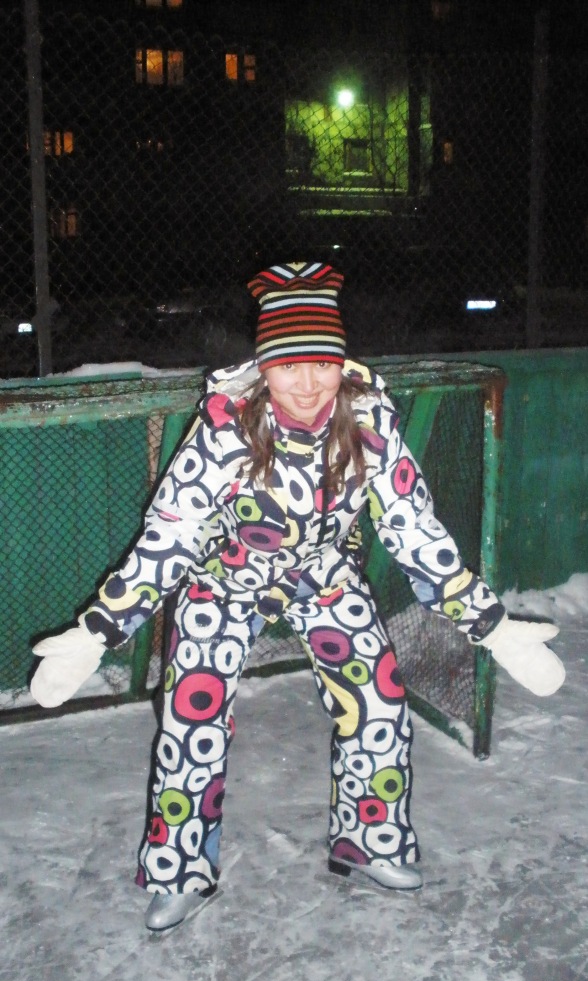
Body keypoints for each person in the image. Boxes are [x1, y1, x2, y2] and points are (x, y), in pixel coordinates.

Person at [30, 261, 565, 933]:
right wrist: (98, 630)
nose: (308, 383)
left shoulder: (368, 419)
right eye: (288, 365)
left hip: (323, 575)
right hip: (225, 578)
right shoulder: (226, 425)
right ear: (264, 365)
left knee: (378, 697)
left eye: (323, 363)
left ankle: (371, 840)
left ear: (342, 361)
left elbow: (413, 527)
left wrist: (492, 626)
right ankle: (179, 868)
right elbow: (170, 531)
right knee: (192, 714)